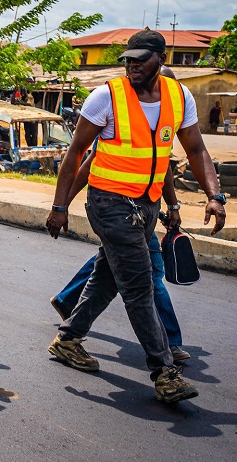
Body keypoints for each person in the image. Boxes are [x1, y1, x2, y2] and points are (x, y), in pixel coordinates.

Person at [45, 29, 224, 404]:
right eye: (128, 58)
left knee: (108, 276)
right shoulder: (106, 97)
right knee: (140, 285)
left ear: (161, 59)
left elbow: (193, 149)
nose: (132, 65)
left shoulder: (179, 96)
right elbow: (77, 153)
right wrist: (60, 207)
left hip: (147, 205)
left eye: (141, 58)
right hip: (109, 204)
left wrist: (213, 195)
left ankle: (68, 339)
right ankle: (164, 371)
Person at [51, 66, 191, 362]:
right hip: (114, 210)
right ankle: (166, 355)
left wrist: (172, 206)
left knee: (109, 270)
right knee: (146, 279)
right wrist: (61, 206)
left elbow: (162, 166)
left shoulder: (166, 116)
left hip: (145, 212)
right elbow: (85, 160)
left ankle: (68, 325)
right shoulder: (116, 111)